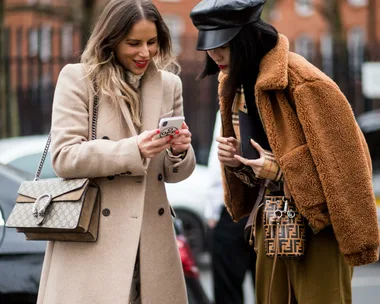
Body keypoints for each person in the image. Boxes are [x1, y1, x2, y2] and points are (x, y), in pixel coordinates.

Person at [190, 0, 380, 303]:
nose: (215, 55)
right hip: (273, 222)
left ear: (247, 37)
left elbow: (348, 165)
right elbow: (259, 167)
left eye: (223, 44)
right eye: (209, 47)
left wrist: (275, 168)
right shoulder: (234, 84)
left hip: (321, 227)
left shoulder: (304, 81)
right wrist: (236, 162)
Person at [37, 1, 196, 304]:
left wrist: (179, 151)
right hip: (95, 242)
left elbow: (175, 174)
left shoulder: (169, 85)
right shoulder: (79, 79)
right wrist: (133, 149)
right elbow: (64, 157)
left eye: (152, 42)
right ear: (111, 39)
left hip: (151, 244)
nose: (144, 52)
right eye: (133, 43)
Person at [205, 110, 256, 304]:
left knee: (229, 290)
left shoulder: (231, 104)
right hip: (254, 207)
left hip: (237, 207)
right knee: (269, 289)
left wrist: (213, 209)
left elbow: (216, 162)